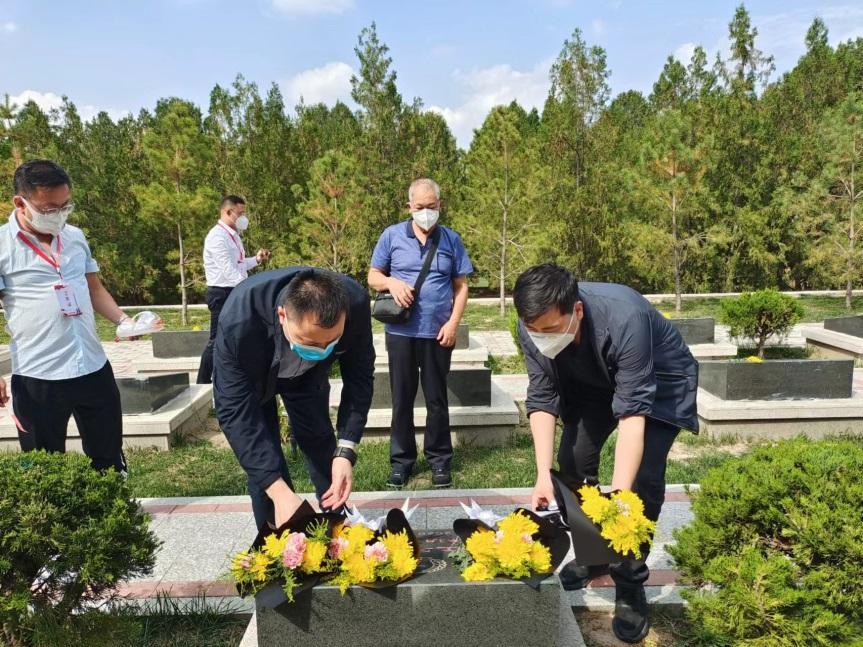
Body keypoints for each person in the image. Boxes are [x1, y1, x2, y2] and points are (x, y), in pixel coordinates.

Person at [512, 263, 698, 644]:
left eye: (549, 330)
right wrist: (542, 473)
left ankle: (629, 579)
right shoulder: (532, 325)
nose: (540, 338)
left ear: (576, 310)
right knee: (574, 461)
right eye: (534, 331)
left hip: (659, 383)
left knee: (642, 481)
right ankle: (594, 554)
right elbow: (543, 397)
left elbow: (633, 412)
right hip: (591, 381)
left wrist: (620, 494)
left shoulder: (624, 317)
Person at [213, 267, 374, 530]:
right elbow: (235, 412)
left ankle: (336, 521)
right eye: (310, 342)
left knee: (320, 440)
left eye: (331, 342)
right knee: (264, 456)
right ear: (282, 316)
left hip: (308, 379)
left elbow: (360, 379)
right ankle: (275, 534)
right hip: (255, 376)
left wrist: (346, 451)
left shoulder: (354, 303)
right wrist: (278, 491)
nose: (322, 351)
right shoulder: (240, 319)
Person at [0, 159, 135, 472]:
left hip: (92, 366)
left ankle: (114, 516)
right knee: (44, 471)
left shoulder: (74, 236)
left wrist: (123, 320)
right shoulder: (3, 247)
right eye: (49, 209)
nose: (58, 215)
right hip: (38, 375)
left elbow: (94, 288)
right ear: (20, 202)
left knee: (109, 458)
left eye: (65, 206)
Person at [368, 178, 473, 490]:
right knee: (401, 399)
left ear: (440, 205)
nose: (426, 212)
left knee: (436, 399)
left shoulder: (451, 239)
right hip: (401, 332)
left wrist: (453, 323)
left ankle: (440, 461)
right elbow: (373, 275)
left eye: (431, 206)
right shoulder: (391, 236)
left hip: (437, 333)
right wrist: (392, 283)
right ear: (409, 207)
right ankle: (401, 463)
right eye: (419, 207)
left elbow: (461, 286)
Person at [197, 195, 270, 384]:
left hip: (234, 290)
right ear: (228, 212)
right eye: (240, 213)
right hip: (221, 293)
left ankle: (233, 377)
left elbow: (238, 264)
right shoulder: (216, 237)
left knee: (240, 336)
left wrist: (257, 260)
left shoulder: (233, 235)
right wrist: (250, 290)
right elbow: (228, 270)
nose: (243, 217)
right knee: (216, 340)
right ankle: (202, 383)